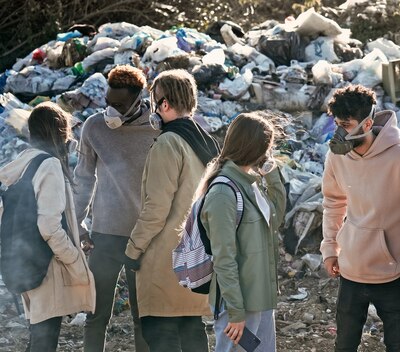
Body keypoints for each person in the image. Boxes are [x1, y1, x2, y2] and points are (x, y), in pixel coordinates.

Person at [320, 85, 400, 352]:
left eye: (347, 125)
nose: (340, 132)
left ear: (368, 123)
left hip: (394, 275)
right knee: (345, 346)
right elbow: (333, 201)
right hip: (351, 271)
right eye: (337, 124)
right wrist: (330, 249)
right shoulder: (336, 158)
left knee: (398, 346)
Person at [124, 69, 219, 352]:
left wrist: (132, 250)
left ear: (163, 104)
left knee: (161, 334)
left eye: (154, 101)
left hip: (165, 260)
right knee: (191, 331)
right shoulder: (206, 141)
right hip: (196, 257)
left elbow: (156, 209)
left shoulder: (168, 142)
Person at [0, 102, 95, 352]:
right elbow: (50, 226)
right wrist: (74, 259)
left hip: (26, 261)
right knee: (45, 340)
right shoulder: (49, 164)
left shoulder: (24, 162)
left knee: (38, 335)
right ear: (60, 132)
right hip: (48, 266)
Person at [74, 65, 156, 352]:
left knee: (143, 317)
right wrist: (77, 225)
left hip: (144, 236)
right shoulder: (94, 127)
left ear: (138, 100)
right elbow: (84, 177)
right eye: (108, 104)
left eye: (119, 105)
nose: (112, 111)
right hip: (105, 234)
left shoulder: (156, 127)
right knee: (96, 315)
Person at [200, 112, 286, 351]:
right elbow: (224, 258)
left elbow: (274, 220)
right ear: (255, 149)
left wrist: (272, 174)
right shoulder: (223, 193)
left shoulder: (249, 184)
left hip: (261, 300)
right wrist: (236, 312)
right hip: (239, 307)